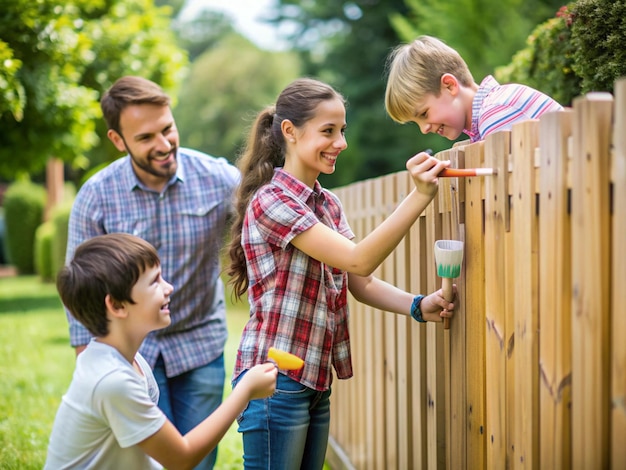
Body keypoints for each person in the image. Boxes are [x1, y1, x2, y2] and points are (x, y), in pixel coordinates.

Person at [225, 77, 457, 469]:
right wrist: (419, 195)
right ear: (290, 132)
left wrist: (418, 305)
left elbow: (359, 282)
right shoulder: (272, 201)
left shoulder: (327, 204)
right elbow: (358, 260)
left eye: (342, 131)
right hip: (274, 381)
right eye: (328, 131)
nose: (341, 143)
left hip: (314, 381)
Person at [64, 75, 240, 469]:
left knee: (196, 461)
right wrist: (89, 364)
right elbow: (80, 295)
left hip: (200, 343)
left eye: (168, 129)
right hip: (131, 352)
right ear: (117, 140)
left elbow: (270, 212)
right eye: (145, 138)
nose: (163, 145)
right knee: (147, 463)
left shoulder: (218, 178)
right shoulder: (96, 196)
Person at [45, 233, 277, 469]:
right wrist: (245, 391)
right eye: (155, 281)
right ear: (116, 305)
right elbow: (181, 458)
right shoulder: (112, 380)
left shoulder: (129, 360)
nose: (169, 287)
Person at [384, 35, 563, 143]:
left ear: (450, 85)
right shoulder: (489, 115)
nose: (424, 129)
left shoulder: (495, 113)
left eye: (423, 114)